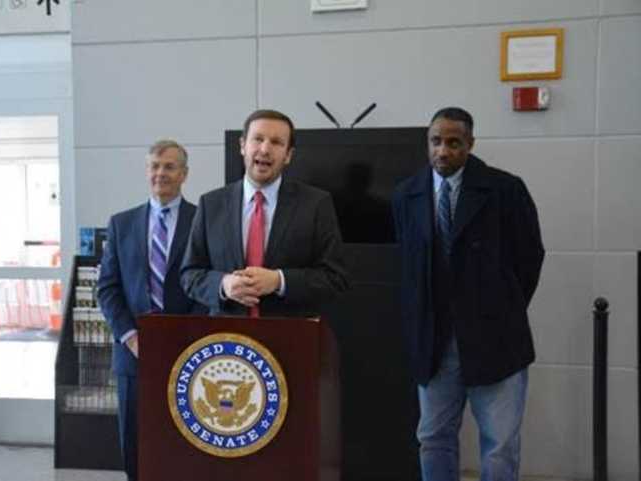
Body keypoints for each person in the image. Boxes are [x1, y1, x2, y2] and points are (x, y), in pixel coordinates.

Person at [391, 107, 545, 481]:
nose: (443, 151)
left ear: (470, 144)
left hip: (495, 336)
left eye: (453, 143)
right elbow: (409, 266)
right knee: (433, 438)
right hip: (435, 341)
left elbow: (529, 258)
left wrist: (500, 308)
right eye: (435, 141)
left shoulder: (505, 189)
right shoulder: (406, 194)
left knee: (499, 444)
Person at [97, 139, 204, 481]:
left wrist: (186, 338)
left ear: (184, 174)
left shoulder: (203, 221)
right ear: (147, 171)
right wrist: (130, 337)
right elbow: (108, 288)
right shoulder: (121, 223)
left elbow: (207, 285)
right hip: (133, 355)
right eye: (155, 166)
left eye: (170, 166)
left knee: (186, 438)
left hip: (188, 352)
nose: (161, 173)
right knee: (135, 440)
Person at [180, 109, 349, 317]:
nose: (265, 149)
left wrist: (279, 281)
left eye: (277, 142)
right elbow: (190, 275)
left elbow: (335, 278)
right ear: (243, 146)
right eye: (258, 139)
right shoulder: (211, 204)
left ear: (288, 155)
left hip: (290, 338)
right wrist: (223, 285)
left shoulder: (315, 204)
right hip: (227, 341)